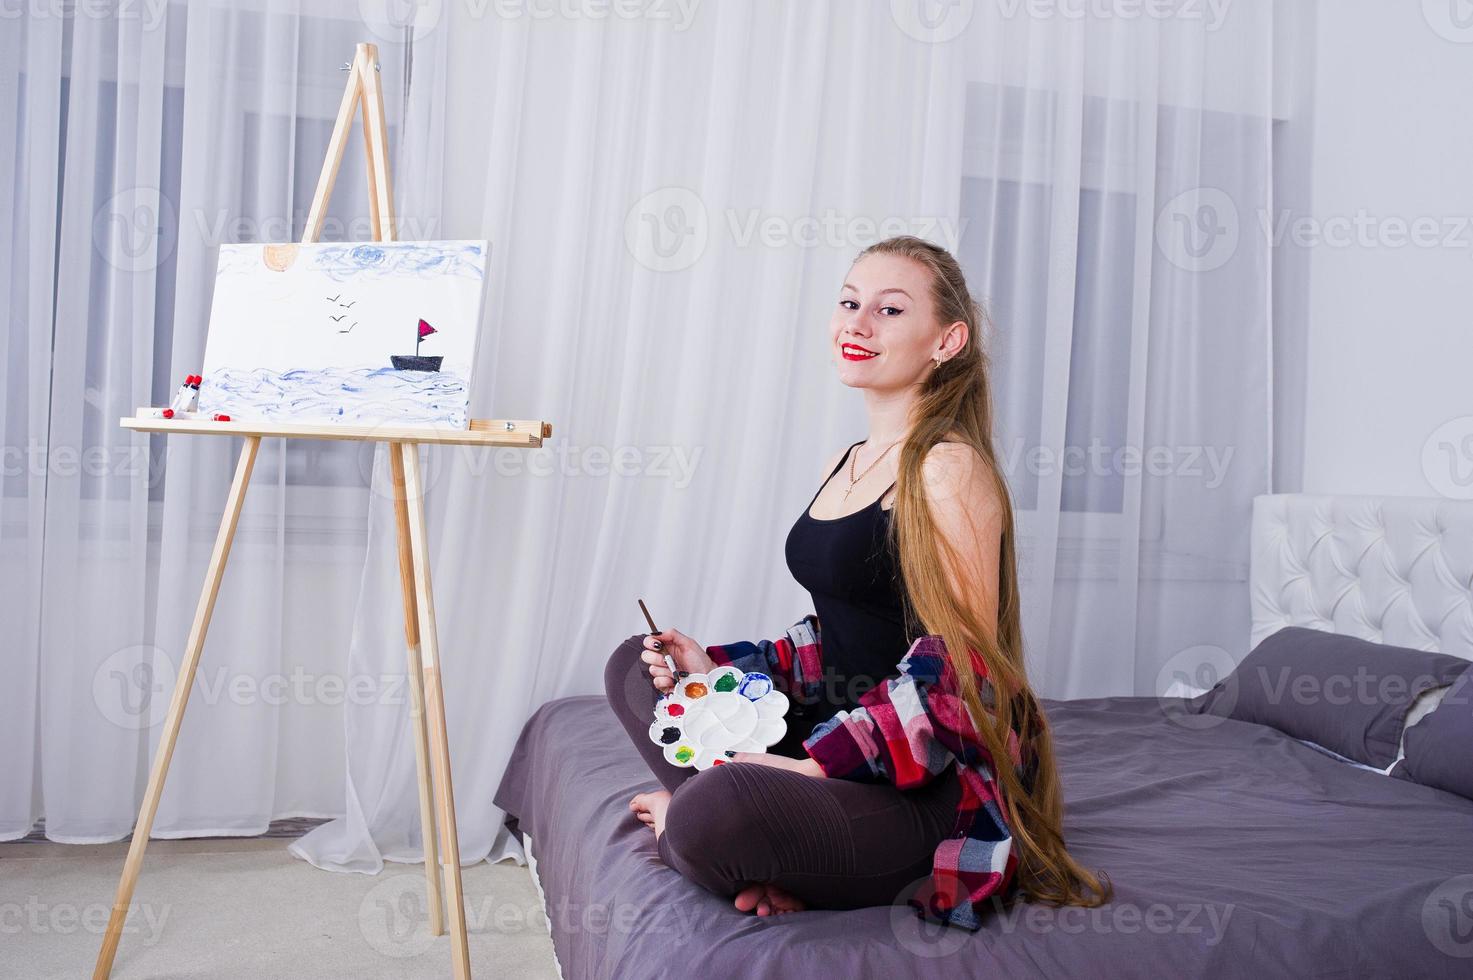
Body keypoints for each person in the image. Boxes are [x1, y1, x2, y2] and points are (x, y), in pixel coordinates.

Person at [602, 235, 1111, 928]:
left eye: (890, 310)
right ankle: (764, 852)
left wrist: (812, 771)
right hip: (834, 732)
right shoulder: (846, 461)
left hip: (916, 782)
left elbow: (964, 674)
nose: (857, 323)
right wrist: (711, 667)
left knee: (707, 811)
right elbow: (840, 638)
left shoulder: (948, 469)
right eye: (849, 302)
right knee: (636, 666)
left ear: (946, 340)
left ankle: (701, 835)